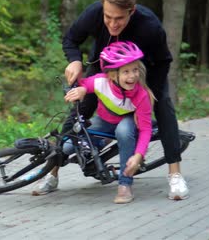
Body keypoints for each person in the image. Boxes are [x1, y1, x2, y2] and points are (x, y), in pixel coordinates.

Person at [34, 0, 189, 200]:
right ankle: (52, 173)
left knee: (162, 104)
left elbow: (164, 60)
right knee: (80, 110)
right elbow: (70, 39)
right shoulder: (94, 13)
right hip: (105, 65)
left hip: (143, 70)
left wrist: (144, 91)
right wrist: (75, 61)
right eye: (108, 17)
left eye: (119, 18)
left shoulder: (149, 25)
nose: (113, 24)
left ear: (131, 11)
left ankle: (175, 174)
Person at [33, 41, 155, 204]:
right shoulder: (101, 82)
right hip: (104, 121)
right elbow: (84, 84)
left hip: (127, 122)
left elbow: (146, 129)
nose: (132, 76)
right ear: (112, 75)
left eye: (135, 70)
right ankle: (52, 174)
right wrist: (81, 90)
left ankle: (125, 184)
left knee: (123, 132)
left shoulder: (141, 96)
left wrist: (139, 155)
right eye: (126, 71)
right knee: (69, 145)